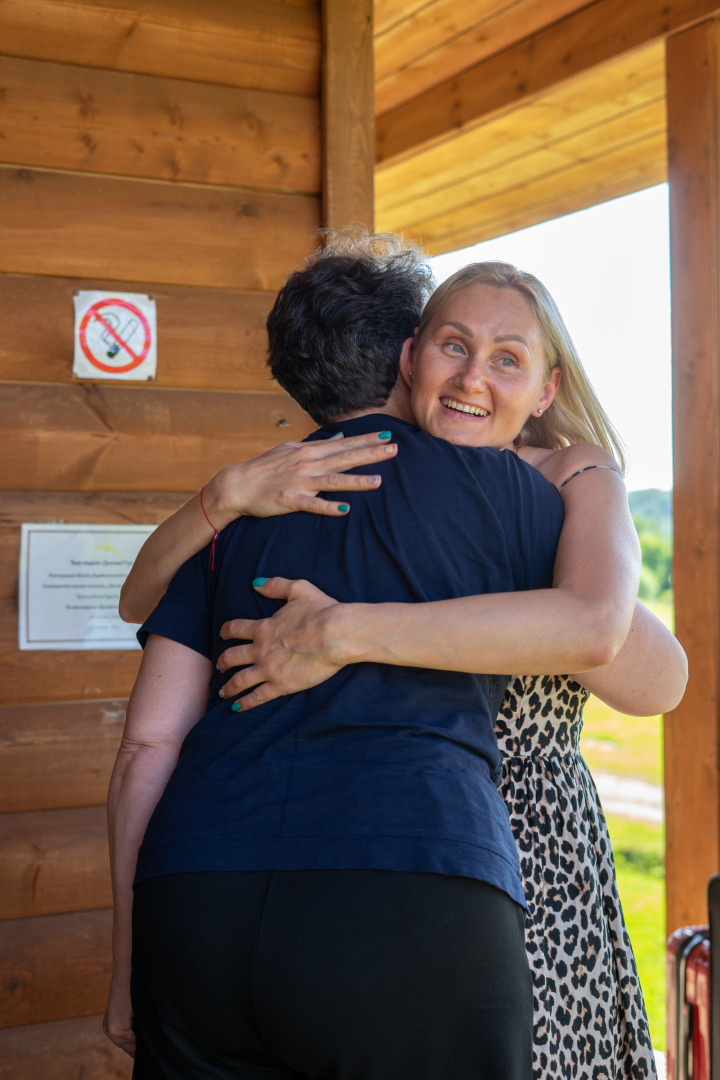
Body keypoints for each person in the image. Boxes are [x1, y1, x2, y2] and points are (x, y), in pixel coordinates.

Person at [107, 236, 685, 1079]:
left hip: (523, 861)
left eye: (506, 358)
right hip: (441, 863)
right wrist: (225, 494)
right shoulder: (311, 485)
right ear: (408, 358)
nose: (471, 377)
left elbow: (640, 662)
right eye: (453, 345)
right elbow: (136, 602)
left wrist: (347, 630)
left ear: (547, 385)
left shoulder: (560, 486)